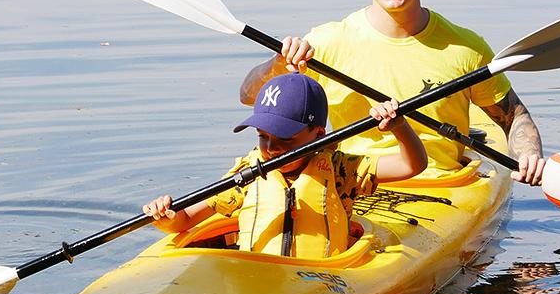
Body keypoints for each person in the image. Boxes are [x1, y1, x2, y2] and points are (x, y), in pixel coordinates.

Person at [239, 0, 545, 186]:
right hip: (354, 182)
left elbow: (513, 116)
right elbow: (249, 96)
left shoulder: (465, 47)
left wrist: (529, 155)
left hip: (443, 185)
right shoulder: (327, 42)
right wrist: (280, 62)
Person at [143, 72, 427, 257]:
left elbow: (411, 165)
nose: (271, 149)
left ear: (318, 135)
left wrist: (399, 126)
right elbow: (187, 219)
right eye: (263, 137)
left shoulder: (342, 170)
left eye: (285, 139)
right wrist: (167, 217)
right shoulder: (248, 173)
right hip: (257, 280)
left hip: (322, 279)